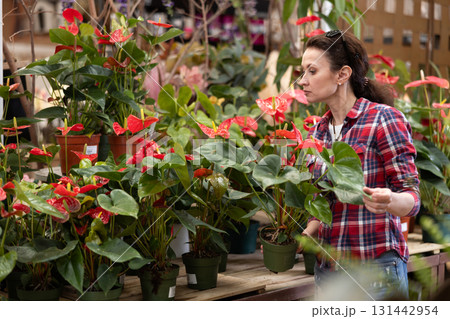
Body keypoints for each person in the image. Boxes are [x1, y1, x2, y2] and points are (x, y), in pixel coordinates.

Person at [298, 30, 420, 300]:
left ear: (342, 75)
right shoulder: (318, 132)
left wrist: (389, 200)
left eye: (312, 71)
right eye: (302, 72)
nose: (302, 81)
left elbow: (413, 197)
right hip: (329, 271)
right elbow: (326, 202)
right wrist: (301, 233)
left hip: (375, 270)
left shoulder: (383, 120)